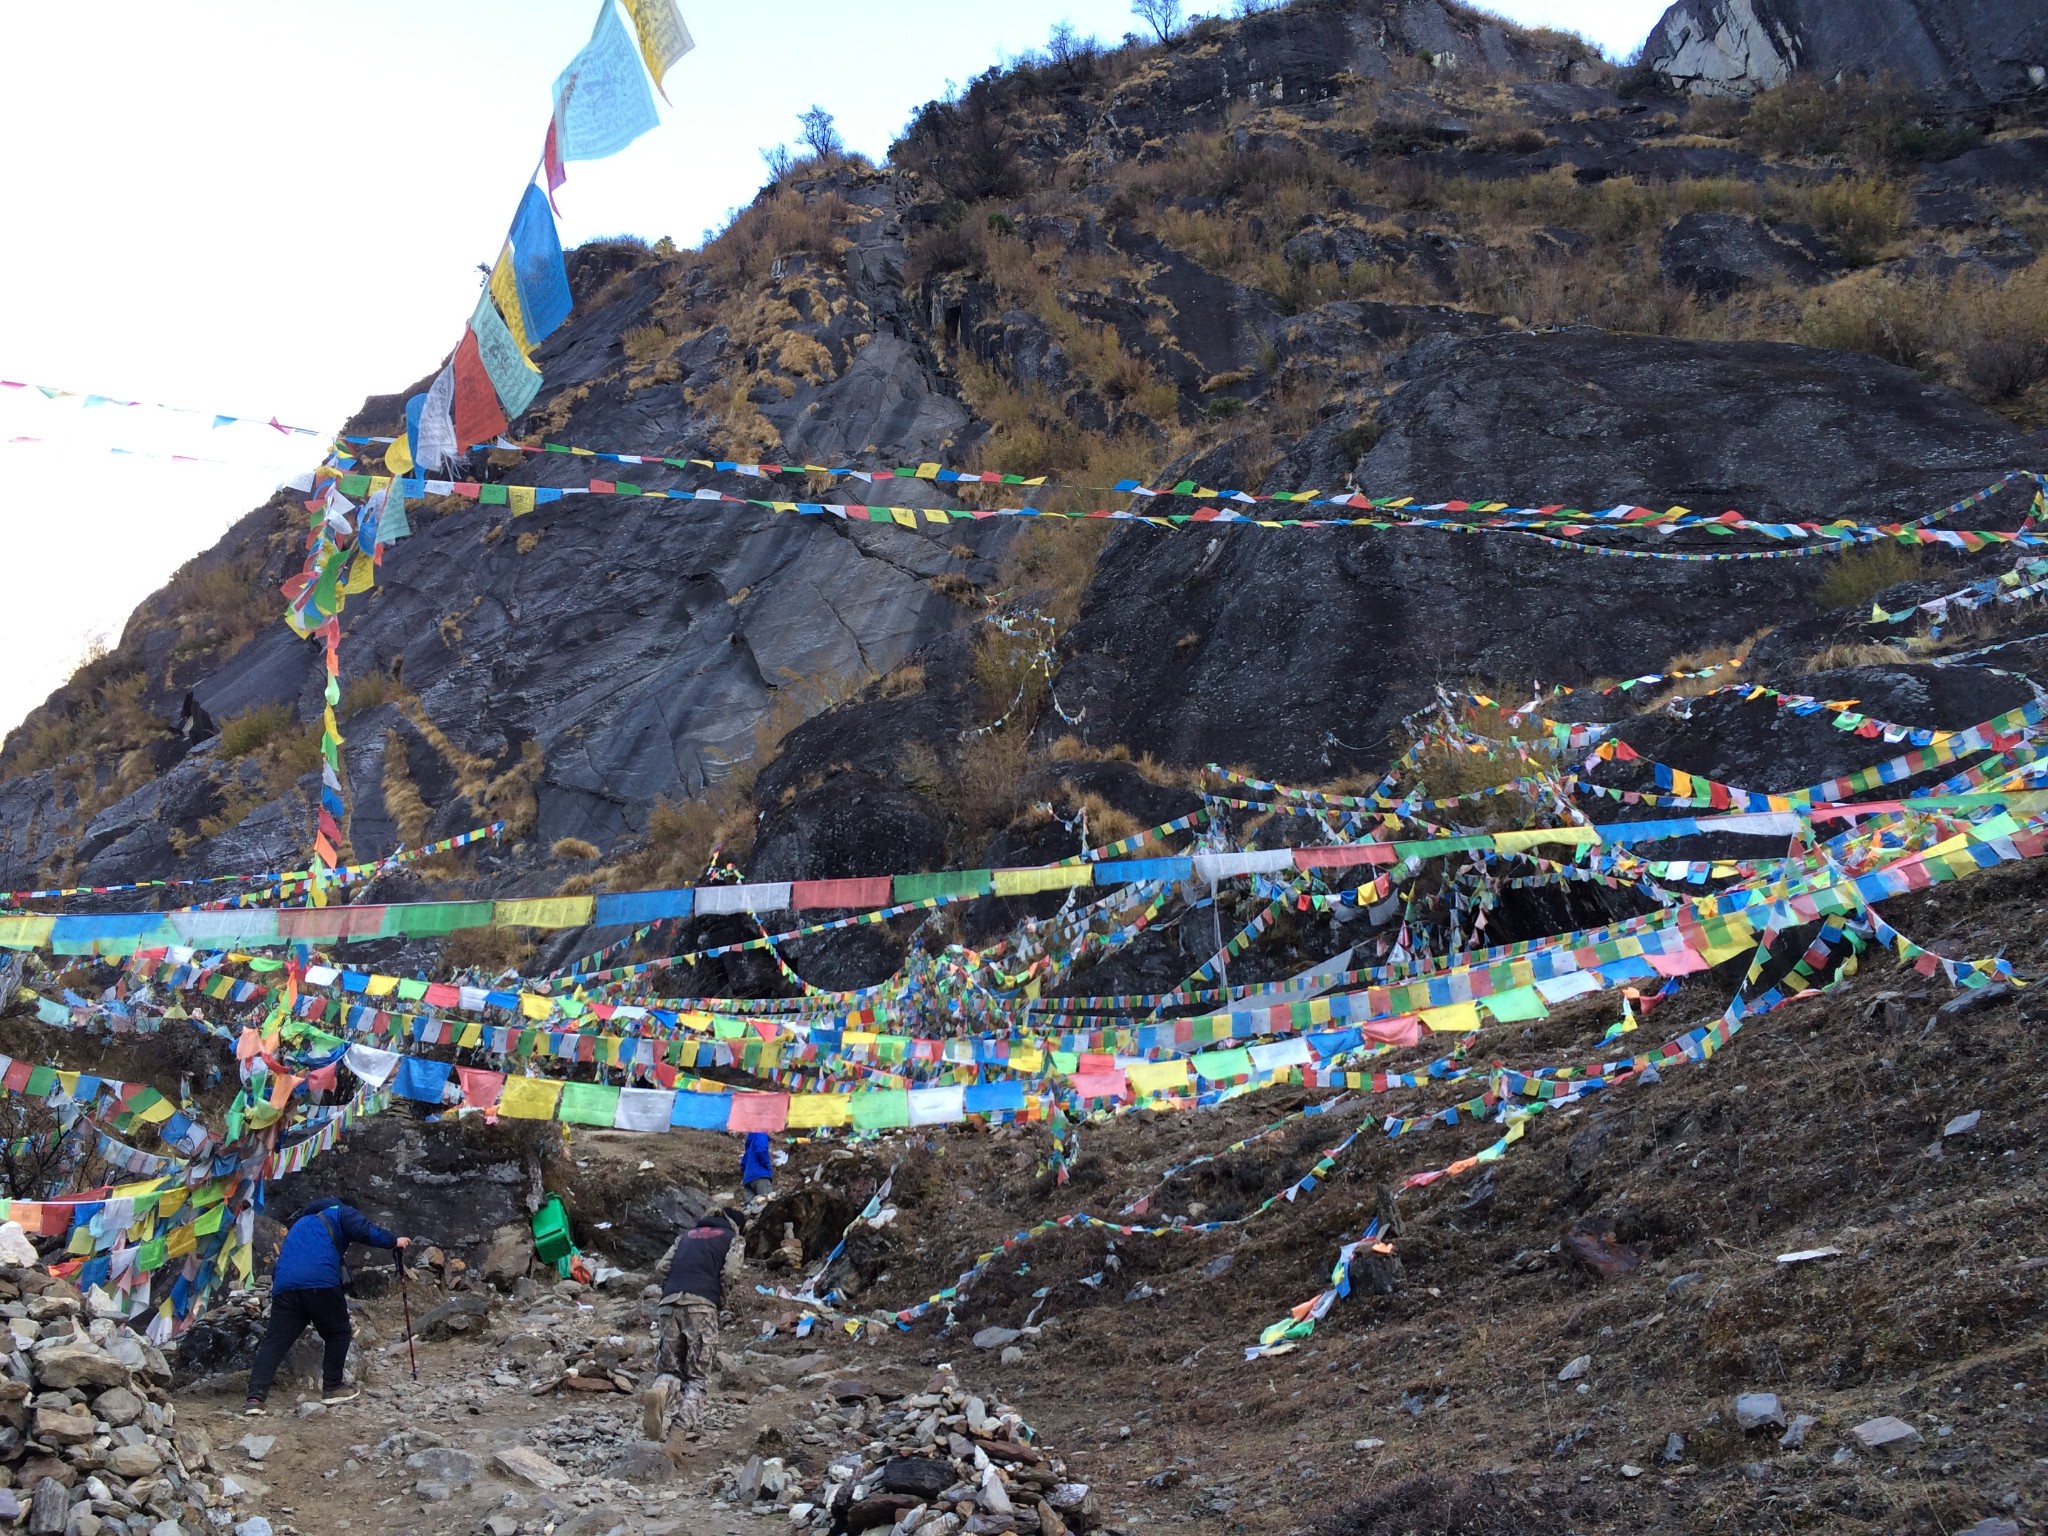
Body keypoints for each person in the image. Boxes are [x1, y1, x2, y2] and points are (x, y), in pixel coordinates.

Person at [245, 1197, 409, 1414]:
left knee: (275, 1343)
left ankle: (255, 1399)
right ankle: (332, 1388)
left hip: (285, 1286)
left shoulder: (299, 1225)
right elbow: (365, 1230)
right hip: (320, 1282)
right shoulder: (340, 1212)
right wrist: (393, 1241)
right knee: (338, 1333)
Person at [640, 1208, 742, 1441]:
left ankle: (659, 1392)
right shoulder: (732, 1239)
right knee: (697, 1377)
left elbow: (661, 1268)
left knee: (669, 1368)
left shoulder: (685, 1237)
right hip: (702, 1306)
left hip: (669, 1303)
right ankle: (677, 1435)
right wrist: (720, 1298)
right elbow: (730, 1273)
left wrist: (671, 1288)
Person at [741, 1131, 774, 1199]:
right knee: (767, 1204)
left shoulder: (750, 1140)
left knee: (750, 1207)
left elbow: (743, 1163)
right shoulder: (761, 1134)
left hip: (748, 1179)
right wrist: (767, 1165)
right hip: (761, 1176)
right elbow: (761, 1150)